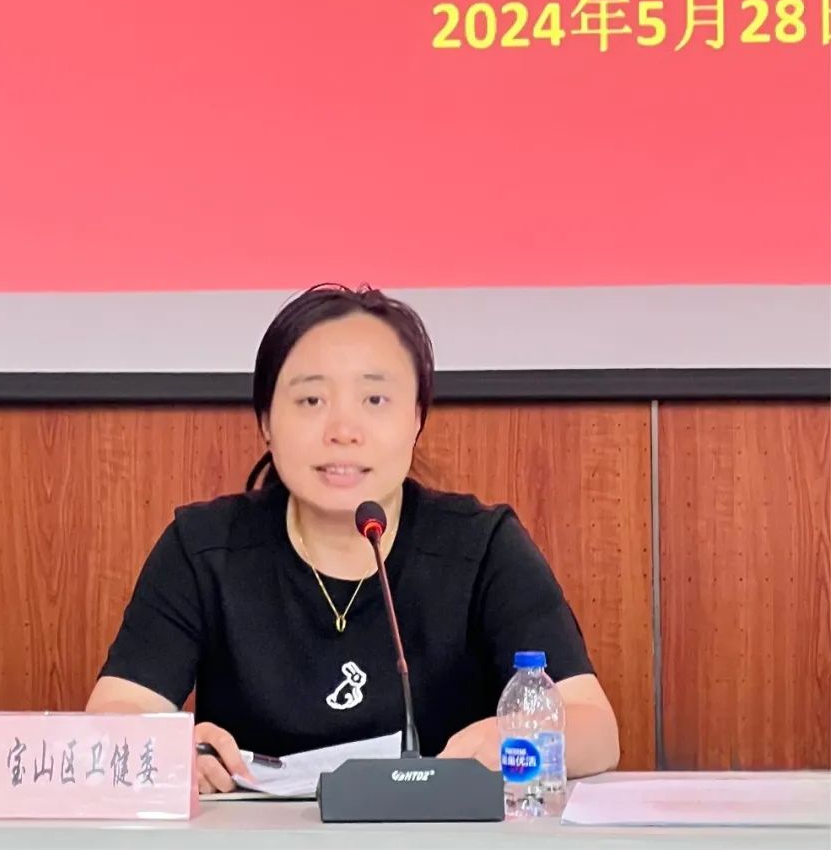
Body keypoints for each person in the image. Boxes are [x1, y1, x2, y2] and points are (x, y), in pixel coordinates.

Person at [86, 284, 620, 793]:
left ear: (417, 419)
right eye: (311, 401)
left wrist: (514, 737)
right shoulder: (203, 548)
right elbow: (115, 715)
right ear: (266, 421)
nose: (343, 430)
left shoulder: (481, 546)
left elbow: (595, 730)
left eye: (375, 399)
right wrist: (170, 751)